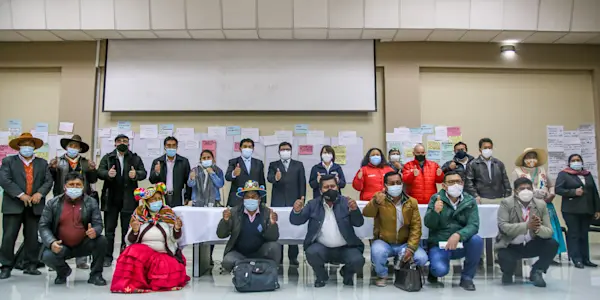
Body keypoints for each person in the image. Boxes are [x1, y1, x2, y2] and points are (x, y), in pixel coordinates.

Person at [111, 183, 190, 293]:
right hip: (144, 254)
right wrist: (135, 231)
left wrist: (176, 229)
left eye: (159, 199)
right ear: (146, 202)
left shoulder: (168, 214)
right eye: (153, 200)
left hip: (163, 253)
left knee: (164, 270)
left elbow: (175, 240)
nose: (156, 202)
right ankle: (134, 285)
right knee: (131, 252)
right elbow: (128, 241)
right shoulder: (138, 214)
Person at [290, 175, 365, 288]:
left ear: (337, 187)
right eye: (326, 187)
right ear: (321, 190)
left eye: (333, 186)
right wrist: (296, 211)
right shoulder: (313, 204)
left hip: (345, 248)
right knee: (311, 252)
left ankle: (346, 273)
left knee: (358, 260)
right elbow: (297, 221)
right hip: (322, 247)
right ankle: (321, 276)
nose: (330, 189)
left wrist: (354, 210)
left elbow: (359, 223)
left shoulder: (346, 202)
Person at [39, 172, 107, 285]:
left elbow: (98, 224)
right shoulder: (53, 203)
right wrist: (51, 242)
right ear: (65, 186)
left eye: (78, 185)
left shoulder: (91, 202)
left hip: (84, 244)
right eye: (71, 184)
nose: (74, 187)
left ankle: (96, 275)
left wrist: (95, 231)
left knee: (102, 241)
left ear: (83, 186)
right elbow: (43, 226)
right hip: (61, 245)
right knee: (47, 256)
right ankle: (63, 272)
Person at [0, 133, 53, 279]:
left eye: (30, 144)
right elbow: (4, 180)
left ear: (34, 147)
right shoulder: (8, 161)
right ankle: (5, 266)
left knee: (32, 237)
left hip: (35, 206)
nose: (27, 147)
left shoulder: (42, 163)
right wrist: (20, 194)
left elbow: (48, 181)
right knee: (9, 236)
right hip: (13, 205)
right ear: (19, 146)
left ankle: (31, 265)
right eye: (24, 144)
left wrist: (39, 194)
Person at [363, 172, 428, 287]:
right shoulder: (379, 198)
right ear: (385, 185)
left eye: (398, 182)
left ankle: (401, 268)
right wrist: (375, 202)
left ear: (402, 184)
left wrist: (411, 247)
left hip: (404, 243)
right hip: (384, 242)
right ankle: (382, 274)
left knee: (421, 258)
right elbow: (367, 213)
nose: (396, 185)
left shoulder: (411, 202)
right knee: (377, 251)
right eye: (392, 183)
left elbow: (416, 227)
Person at [424, 171, 482, 291]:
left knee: (476, 240)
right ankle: (433, 272)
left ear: (462, 183)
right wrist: (435, 212)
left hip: (460, 243)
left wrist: (459, 234)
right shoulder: (436, 199)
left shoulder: (469, 200)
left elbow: (474, 225)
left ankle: (467, 278)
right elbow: (429, 224)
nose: (455, 185)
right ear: (444, 186)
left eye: (458, 182)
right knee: (440, 270)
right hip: (440, 244)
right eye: (451, 182)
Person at [495, 177, 558, 287]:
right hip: (511, 245)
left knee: (552, 243)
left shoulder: (541, 204)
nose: (526, 191)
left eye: (528, 188)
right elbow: (504, 227)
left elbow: (549, 231)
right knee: (505, 261)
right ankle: (508, 272)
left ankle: (537, 271)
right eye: (522, 188)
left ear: (533, 190)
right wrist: (527, 226)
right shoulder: (506, 203)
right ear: (515, 191)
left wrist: (537, 228)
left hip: (532, 243)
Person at [97, 134, 148, 267]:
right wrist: (107, 174)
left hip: (129, 198)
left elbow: (144, 172)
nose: (122, 143)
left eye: (125, 141)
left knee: (127, 229)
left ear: (128, 144)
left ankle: (125, 256)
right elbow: (99, 171)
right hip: (111, 198)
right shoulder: (108, 157)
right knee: (109, 230)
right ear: (115, 143)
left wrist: (136, 174)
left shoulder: (135, 158)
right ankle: (107, 257)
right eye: (119, 141)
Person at [49, 134, 98, 269]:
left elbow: (93, 180)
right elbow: (50, 178)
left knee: (82, 226)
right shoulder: (58, 161)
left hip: (83, 199)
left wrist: (93, 169)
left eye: (76, 146)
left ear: (80, 149)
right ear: (66, 147)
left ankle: (81, 260)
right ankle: (56, 259)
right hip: (61, 198)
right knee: (59, 226)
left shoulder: (85, 162)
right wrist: (52, 168)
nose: (73, 148)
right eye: (71, 146)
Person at [511, 148, 566, 264]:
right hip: (527, 205)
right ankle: (534, 253)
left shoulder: (542, 170)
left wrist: (551, 194)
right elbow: (514, 190)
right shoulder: (517, 172)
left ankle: (551, 254)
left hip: (545, 203)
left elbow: (551, 185)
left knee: (548, 228)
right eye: (528, 157)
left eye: (533, 156)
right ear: (524, 159)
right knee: (533, 228)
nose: (531, 159)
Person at [216, 180, 281, 272]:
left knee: (274, 247)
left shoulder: (267, 212)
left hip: (260, 252)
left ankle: (252, 268)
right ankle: (252, 268)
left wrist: (272, 224)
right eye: (247, 197)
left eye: (253, 197)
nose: (250, 199)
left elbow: (273, 237)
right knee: (228, 261)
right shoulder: (234, 212)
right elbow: (221, 234)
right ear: (243, 199)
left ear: (259, 199)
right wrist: (225, 221)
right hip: (239, 253)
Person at [555, 154, 600, 268]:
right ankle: (576, 259)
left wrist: (597, 209)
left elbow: (594, 192)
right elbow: (558, 189)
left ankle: (586, 259)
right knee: (574, 234)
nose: (576, 162)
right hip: (571, 210)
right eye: (573, 160)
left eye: (578, 160)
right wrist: (573, 192)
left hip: (587, 209)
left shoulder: (587, 174)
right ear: (569, 163)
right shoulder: (564, 174)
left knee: (584, 234)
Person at [267, 142, 306, 266]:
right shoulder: (273, 165)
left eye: (287, 149)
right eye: (282, 149)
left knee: (292, 229)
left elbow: (302, 181)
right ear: (279, 152)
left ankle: (293, 257)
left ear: (291, 151)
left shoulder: (298, 165)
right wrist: (276, 178)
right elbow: (269, 178)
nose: (285, 151)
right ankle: (278, 257)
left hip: (293, 200)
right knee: (279, 228)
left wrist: (302, 197)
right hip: (278, 201)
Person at [188, 149, 225, 265]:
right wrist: (192, 178)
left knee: (212, 230)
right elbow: (190, 185)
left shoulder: (218, 170)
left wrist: (212, 173)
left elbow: (220, 184)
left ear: (213, 159)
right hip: (198, 204)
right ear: (200, 160)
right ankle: (199, 258)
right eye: (204, 158)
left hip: (213, 204)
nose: (206, 160)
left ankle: (209, 256)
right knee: (199, 231)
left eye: (208, 157)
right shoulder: (195, 170)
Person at [465, 138, 511, 204]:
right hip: (481, 199)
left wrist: (507, 197)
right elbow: (469, 183)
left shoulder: (499, 163)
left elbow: (506, 181)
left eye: (490, 148)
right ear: (480, 149)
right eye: (485, 148)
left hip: (499, 198)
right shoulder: (473, 164)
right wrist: (475, 196)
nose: (488, 150)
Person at [149, 136, 191, 207]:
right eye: (168, 145)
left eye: (173, 145)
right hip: (162, 197)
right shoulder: (158, 161)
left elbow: (188, 182)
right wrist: (156, 172)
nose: (171, 148)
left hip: (177, 197)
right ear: (165, 147)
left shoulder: (184, 162)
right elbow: (152, 180)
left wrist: (188, 197)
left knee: (176, 217)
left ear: (177, 147)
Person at [225, 138, 266, 207]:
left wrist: (263, 200)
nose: (247, 148)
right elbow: (227, 177)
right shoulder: (233, 162)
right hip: (237, 198)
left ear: (253, 149)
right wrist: (233, 174)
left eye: (250, 147)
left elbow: (262, 181)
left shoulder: (259, 163)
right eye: (245, 146)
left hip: (254, 199)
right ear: (240, 148)